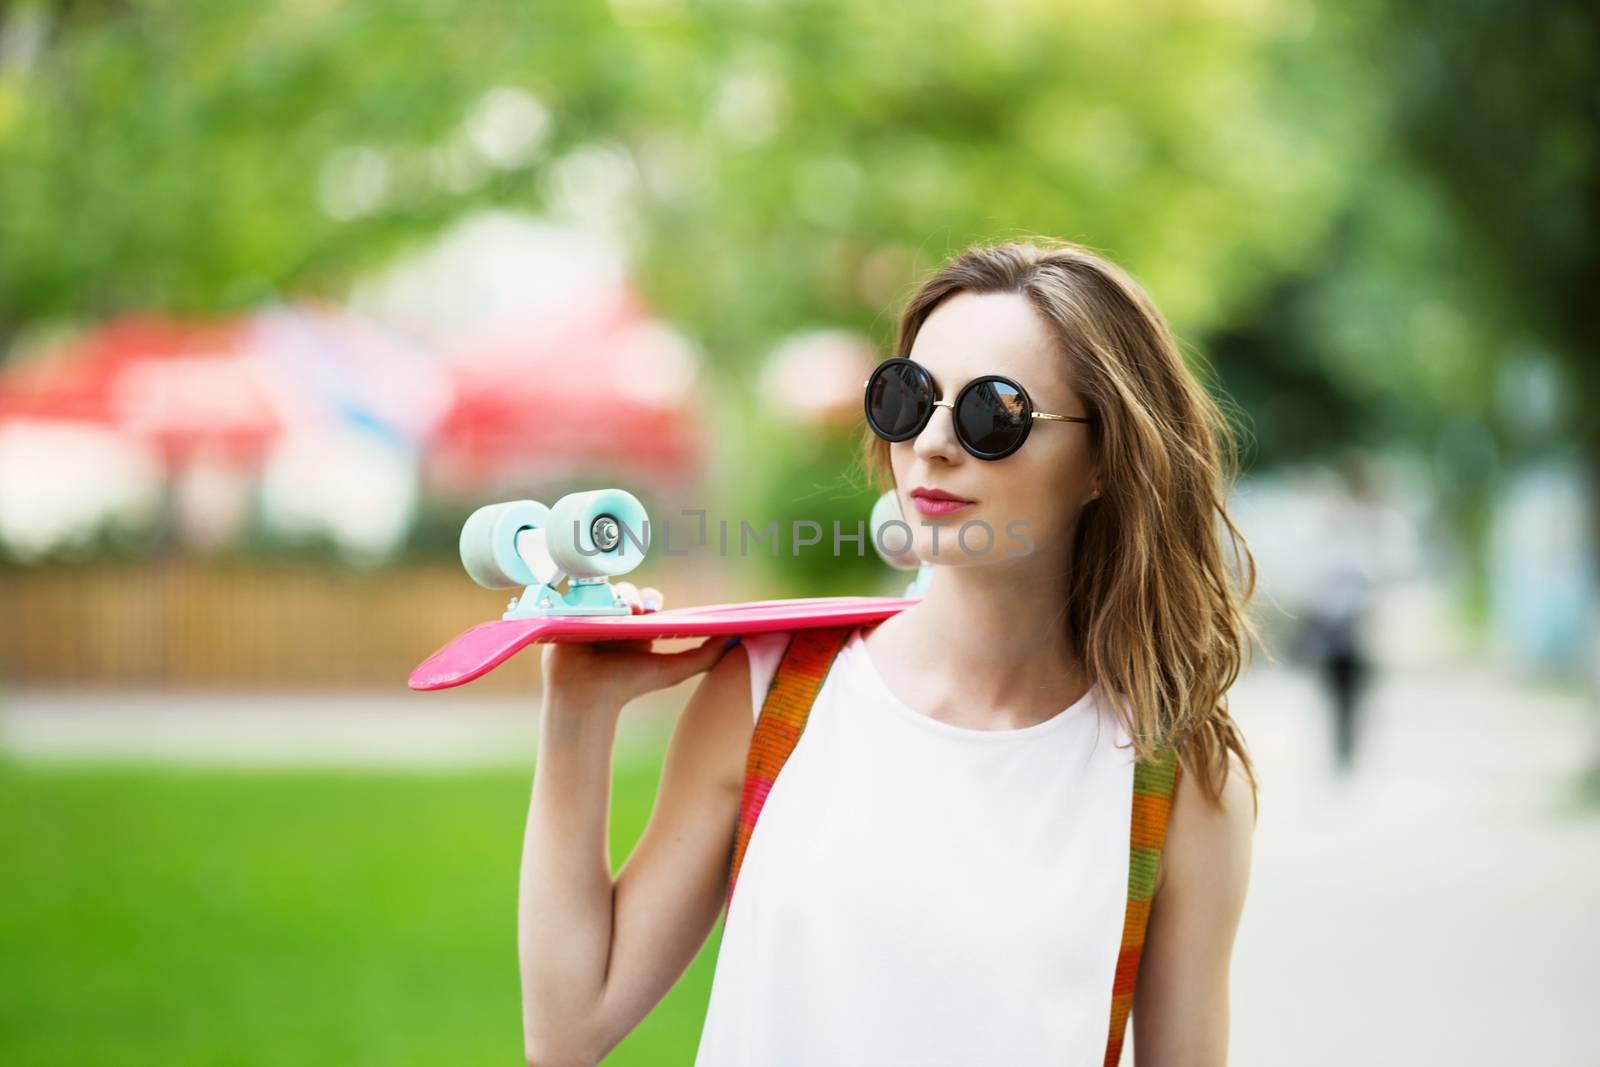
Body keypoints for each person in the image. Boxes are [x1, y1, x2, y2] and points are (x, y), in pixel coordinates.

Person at [517, 239, 1260, 1067]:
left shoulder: (1177, 774)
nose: (934, 445)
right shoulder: (774, 695)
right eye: (908, 398)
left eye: (992, 412)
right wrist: (577, 712)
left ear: (1103, 463)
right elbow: (568, 1029)